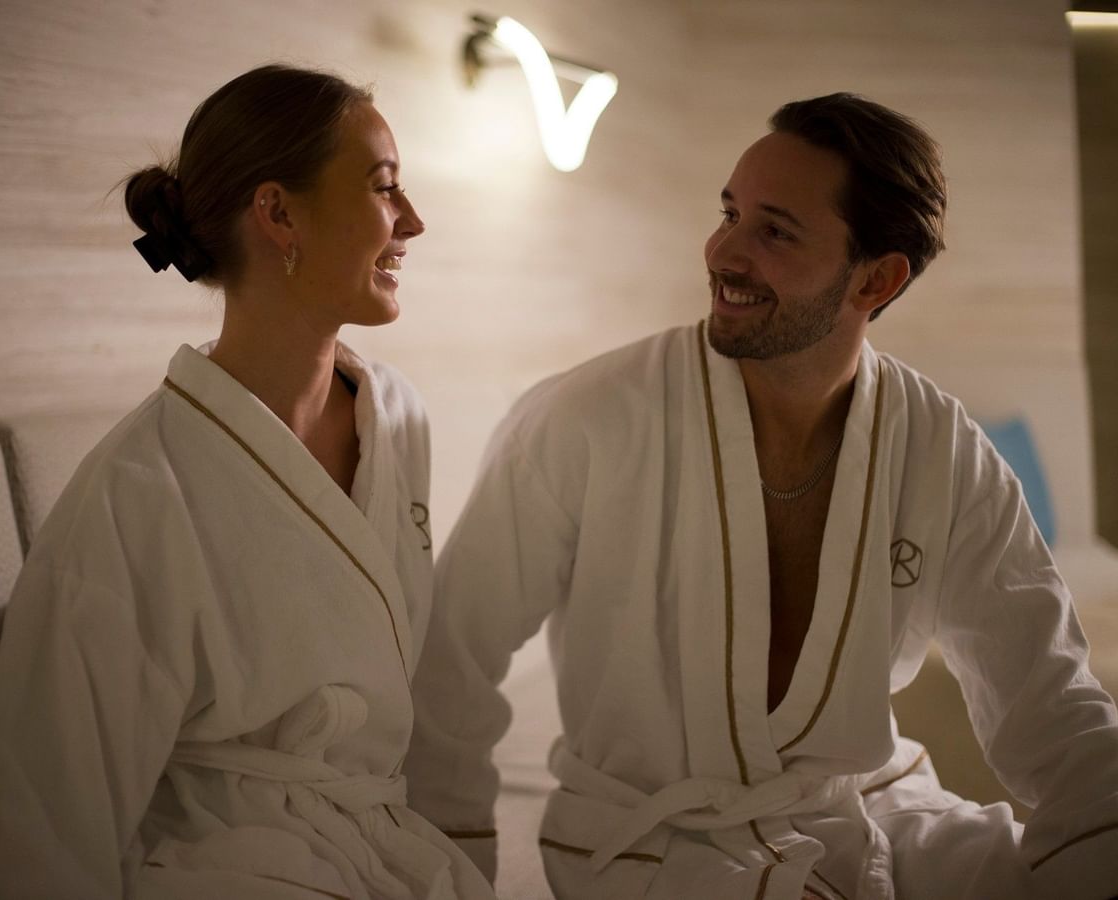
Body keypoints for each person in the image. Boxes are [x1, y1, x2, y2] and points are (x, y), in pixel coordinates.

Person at [403, 93, 1118, 899]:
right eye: (729, 214)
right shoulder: (587, 420)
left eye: (774, 232)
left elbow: (1052, 704)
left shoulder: (941, 452)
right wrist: (453, 872)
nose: (722, 252)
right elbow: (450, 668)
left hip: (864, 810)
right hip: (652, 844)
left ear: (876, 279)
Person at [0, 64, 495, 900]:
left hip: (381, 846)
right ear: (278, 213)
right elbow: (41, 823)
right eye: (384, 186)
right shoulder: (138, 495)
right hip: (225, 866)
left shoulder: (398, 419)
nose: (414, 221)